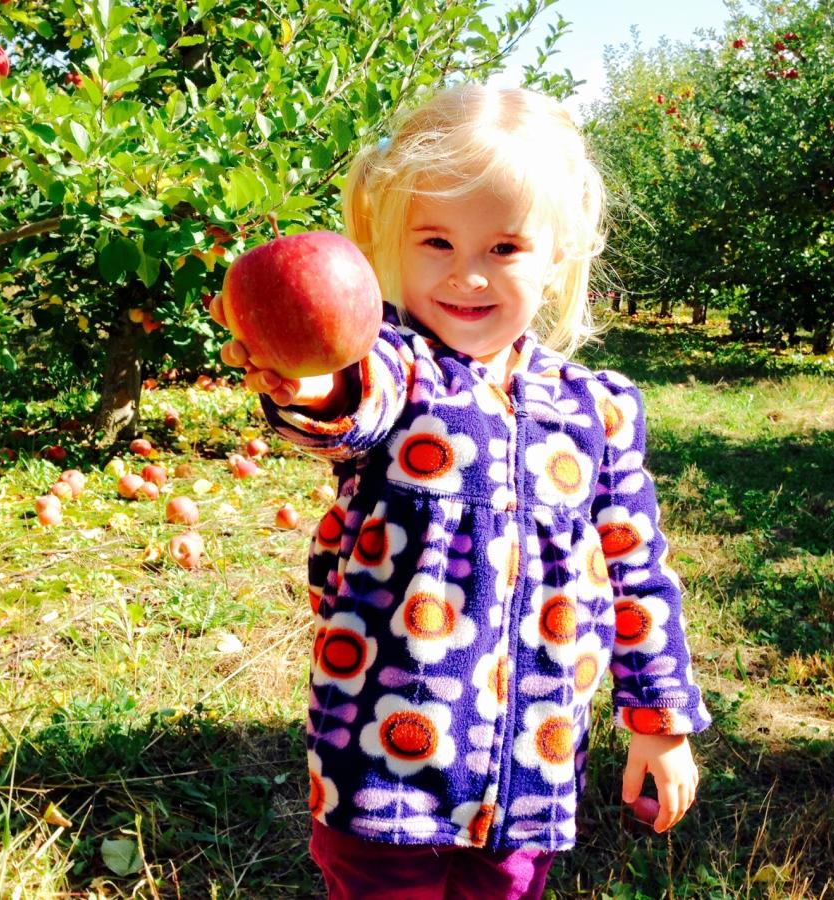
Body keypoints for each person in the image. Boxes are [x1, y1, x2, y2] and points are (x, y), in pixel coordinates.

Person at [210, 84, 711, 900]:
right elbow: (347, 402)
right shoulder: (399, 372)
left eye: (505, 248)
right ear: (389, 249)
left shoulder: (600, 407)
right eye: (436, 241)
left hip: (531, 767)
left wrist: (659, 718)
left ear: (557, 255)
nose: (468, 274)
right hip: (380, 764)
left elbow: (637, 570)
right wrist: (306, 379)